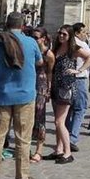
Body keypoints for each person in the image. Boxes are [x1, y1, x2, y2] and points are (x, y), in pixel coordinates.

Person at [0, 12, 42, 179]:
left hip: (3, 94)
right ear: (23, 25)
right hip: (25, 95)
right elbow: (40, 62)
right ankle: (22, 176)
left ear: (6, 24)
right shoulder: (31, 42)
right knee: (23, 138)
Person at [46, 26, 90, 163]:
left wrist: (79, 70)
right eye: (59, 33)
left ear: (70, 36)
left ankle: (68, 152)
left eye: (64, 34)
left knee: (59, 121)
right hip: (56, 86)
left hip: (66, 88)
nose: (61, 36)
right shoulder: (56, 48)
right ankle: (58, 150)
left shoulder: (73, 49)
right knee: (58, 122)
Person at [66, 22, 90, 153]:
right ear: (77, 33)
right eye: (84, 32)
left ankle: (65, 137)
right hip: (79, 79)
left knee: (66, 109)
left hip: (66, 79)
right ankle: (72, 138)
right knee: (80, 109)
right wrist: (81, 69)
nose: (86, 35)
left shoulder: (65, 43)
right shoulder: (82, 45)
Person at [29, 27, 54, 162]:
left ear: (43, 39)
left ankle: (39, 150)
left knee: (39, 117)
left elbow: (50, 72)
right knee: (27, 117)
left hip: (41, 85)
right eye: (31, 37)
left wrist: (49, 89)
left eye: (36, 37)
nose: (33, 39)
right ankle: (26, 148)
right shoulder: (29, 50)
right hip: (28, 84)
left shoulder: (49, 54)